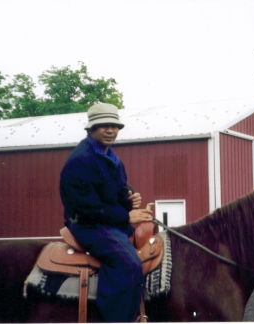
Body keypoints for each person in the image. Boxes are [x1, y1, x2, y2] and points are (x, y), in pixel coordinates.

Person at [59, 102, 153, 322]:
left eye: (115, 126)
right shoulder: (80, 160)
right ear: (91, 128)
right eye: (104, 126)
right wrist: (126, 216)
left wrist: (129, 197)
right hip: (87, 225)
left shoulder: (111, 157)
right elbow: (87, 207)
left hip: (107, 222)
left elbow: (114, 192)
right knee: (128, 264)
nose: (111, 130)